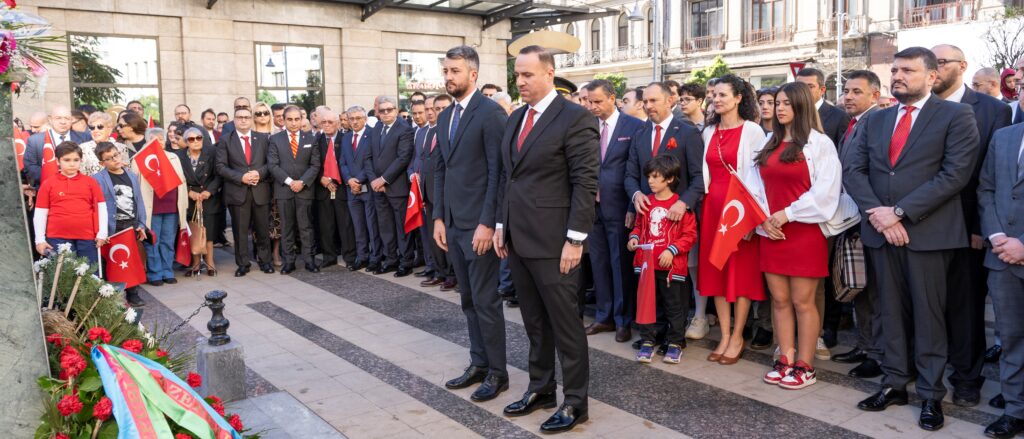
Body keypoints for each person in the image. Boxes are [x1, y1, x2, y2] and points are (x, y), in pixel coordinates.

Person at [845, 47, 980, 432]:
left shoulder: (956, 115)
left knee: (928, 316)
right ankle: (894, 383)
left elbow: (955, 174)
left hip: (929, 234)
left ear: (931, 76)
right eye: (895, 70)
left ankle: (931, 394)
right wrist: (879, 214)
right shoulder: (877, 118)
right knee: (889, 313)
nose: (898, 76)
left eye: (907, 70)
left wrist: (900, 212)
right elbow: (854, 170)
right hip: (881, 232)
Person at [494, 45, 598, 433]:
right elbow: (508, 177)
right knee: (534, 323)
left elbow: (585, 182)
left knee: (566, 325)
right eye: (517, 75)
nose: (520, 82)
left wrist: (575, 240)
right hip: (519, 239)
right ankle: (541, 389)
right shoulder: (516, 117)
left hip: (556, 242)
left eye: (527, 75)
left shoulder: (575, 117)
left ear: (549, 74)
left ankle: (575, 402)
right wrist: (501, 225)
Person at [931, 43, 1014, 407]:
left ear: (962, 66)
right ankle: (927, 367)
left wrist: (983, 227)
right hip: (921, 224)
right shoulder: (920, 106)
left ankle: (967, 376)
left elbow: (992, 174)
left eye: (941, 62)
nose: (934, 68)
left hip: (970, 228)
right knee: (929, 304)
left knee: (966, 306)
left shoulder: (993, 110)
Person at [744, 82, 842, 389]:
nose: (780, 108)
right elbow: (752, 188)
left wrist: (787, 214)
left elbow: (826, 191)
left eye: (787, 103)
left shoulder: (819, 143)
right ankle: (785, 359)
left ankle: (805, 365)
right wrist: (763, 221)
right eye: (777, 103)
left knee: (803, 301)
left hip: (804, 231)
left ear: (802, 106)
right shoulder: (768, 143)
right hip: (771, 231)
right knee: (780, 300)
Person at [432, 45, 509, 403]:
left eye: (455, 71)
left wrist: (488, 223)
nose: (448, 77)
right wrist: (439, 217)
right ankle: (479, 363)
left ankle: (498, 373)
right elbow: (441, 169)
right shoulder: (445, 116)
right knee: (467, 300)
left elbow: (499, 173)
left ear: (472, 74)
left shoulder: (491, 113)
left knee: (485, 301)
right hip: (454, 224)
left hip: (479, 226)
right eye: (446, 71)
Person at [625, 82, 705, 353]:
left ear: (670, 100)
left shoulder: (687, 132)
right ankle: (653, 334)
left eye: (653, 101)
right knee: (650, 284)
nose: (648, 106)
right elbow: (630, 174)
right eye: (645, 101)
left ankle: (675, 336)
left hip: (676, 221)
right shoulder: (639, 132)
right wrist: (636, 195)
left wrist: (684, 202)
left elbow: (698, 177)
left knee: (673, 287)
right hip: (647, 219)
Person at [698, 74, 768, 364]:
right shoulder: (708, 131)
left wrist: (752, 219)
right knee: (716, 271)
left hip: (739, 211)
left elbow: (759, 177)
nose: (716, 99)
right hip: (712, 209)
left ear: (739, 98)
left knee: (740, 274)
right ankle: (724, 336)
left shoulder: (752, 130)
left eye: (723, 95)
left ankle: (738, 335)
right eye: (714, 95)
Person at [831, 69, 884, 379]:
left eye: (856, 92)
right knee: (859, 287)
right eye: (846, 91)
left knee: (874, 290)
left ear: (874, 95)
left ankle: (877, 353)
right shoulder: (853, 123)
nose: (848, 97)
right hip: (851, 219)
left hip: (869, 218)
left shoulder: (877, 122)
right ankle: (865, 345)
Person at [583, 79, 644, 343]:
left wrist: (632, 205)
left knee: (620, 265)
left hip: (620, 206)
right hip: (592, 206)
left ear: (612, 98)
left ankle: (622, 320)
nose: (593, 106)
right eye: (589, 101)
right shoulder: (586, 125)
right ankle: (603, 316)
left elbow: (637, 169)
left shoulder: (633, 126)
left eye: (598, 101)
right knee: (599, 263)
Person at [977, 121, 1024, 439]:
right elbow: (986, 189)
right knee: (1011, 337)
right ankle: (1015, 409)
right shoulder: (1004, 136)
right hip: (1002, 256)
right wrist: (996, 235)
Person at [627, 155, 698, 364]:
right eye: (649, 176)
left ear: (670, 178)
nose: (650, 181)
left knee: (674, 306)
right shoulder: (646, 202)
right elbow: (638, 227)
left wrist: (671, 250)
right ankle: (647, 341)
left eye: (655, 177)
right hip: (647, 266)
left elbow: (690, 235)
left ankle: (675, 343)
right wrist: (633, 238)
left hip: (671, 268)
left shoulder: (681, 206)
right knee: (647, 305)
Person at [216, 107, 275, 277]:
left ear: (251, 120)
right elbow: (220, 166)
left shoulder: (263, 139)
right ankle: (242, 264)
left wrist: (259, 173)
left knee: (263, 229)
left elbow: (270, 163)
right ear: (234, 120)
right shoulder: (226, 140)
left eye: (247, 117)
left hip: (260, 189)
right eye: (240, 117)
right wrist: (241, 177)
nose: (243, 120)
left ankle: (266, 261)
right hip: (237, 191)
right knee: (240, 231)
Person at [33, 142, 108, 265]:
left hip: (88, 237)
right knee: (63, 274)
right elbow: (40, 213)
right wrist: (39, 240)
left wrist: (102, 233)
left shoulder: (91, 182)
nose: (72, 164)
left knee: (89, 273)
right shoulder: (48, 184)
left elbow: (101, 208)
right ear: (57, 161)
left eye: (76, 160)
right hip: (57, 237)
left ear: (81, 160)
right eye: (67, 160)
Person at [92, 141, 147, 306]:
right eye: (109, 158)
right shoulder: (98, 179)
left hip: (130, 224)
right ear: (102, 163)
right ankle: (111, 295)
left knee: (130, 259)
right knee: (111, 260)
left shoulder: (131, 175)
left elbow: (138, 200)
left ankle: (133, 293)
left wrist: (141, 223)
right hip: (111, 225)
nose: (115, 159)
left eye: (116, 155)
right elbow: (97, 205)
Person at [268, 105, 321, 273]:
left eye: (297, 119)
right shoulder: (275, 140)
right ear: (283, 120)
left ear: (301, 120)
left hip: (305, 190)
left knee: (306, 227)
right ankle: (289, 261)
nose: (293, 123)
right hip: (284, 190)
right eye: (289, 119)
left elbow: (315, 165)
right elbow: (273, 165)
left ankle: (309, 260)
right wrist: (291, 182)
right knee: (287, 228)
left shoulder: (311, 139)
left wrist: (302, 182)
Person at [367, 96, 415, 276]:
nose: (386, 113)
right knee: (385, 227)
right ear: (377, 113)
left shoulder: (405, 129)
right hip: (377, 188)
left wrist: (383, 179)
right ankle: (391, 260)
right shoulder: (376, 128)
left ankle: (406, 261)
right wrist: (374, 180)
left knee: (402, 228)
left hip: (397, 187)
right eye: (382, 110)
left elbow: (403, 158)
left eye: (389, 109)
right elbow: (368, 157)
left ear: (396, 110)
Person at [134, 128, 188, 286]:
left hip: (172, 206)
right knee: (152, 242)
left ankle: (167, 271)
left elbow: (182, 181)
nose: (160, 142)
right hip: (152, 207)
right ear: (148, 142)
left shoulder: (173, 157)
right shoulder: (140, 159)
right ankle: (155, 273)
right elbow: (135, 183)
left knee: (168, 241)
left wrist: (183, 205)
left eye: (162, 139)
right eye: (155, 140)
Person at [420, 95, 457, 291]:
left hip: (447, 193)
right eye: (434, 109)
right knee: (434, 236)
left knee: (448, 237)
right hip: (429, 192)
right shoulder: (428, 132)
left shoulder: (452, 130)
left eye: (443, 108)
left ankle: (452, 274)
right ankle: (440, 272)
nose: (435, 112)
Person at [340, 106, 382, 273]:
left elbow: (371, 162)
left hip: (368, 188)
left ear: (365, 119)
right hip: (352, 189)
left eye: (358, 118)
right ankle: (362, 256)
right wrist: (350, 180)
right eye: (352, 119)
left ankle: (375, 258)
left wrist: (358, 179)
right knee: (358, 226)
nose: (355, 121)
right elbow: (342, 162)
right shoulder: (346, 137)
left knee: (372, 225)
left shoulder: (372, 134)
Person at [315, 109, 357, 269]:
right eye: (323, 122)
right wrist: (321, 178)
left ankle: (350, 256)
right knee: (326, 225)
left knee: (345, 224)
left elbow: (350, 162)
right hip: (323, 188)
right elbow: (311, 163)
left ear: (338, 123)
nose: (326, 125)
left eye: (330, 122)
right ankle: (329, 256)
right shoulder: (316, 140)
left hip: (342, 187)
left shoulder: (346, 139)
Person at [178, 127, 221, 277]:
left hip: (208, 196)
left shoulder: (212, 153)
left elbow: (218, 175)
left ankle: (210, 262)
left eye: (198, 138)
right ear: (186, 142)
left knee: (208, 231)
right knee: (194, 230)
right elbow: (177, 178)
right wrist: (188, 192)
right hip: (189, 198)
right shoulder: (179, 156)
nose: (196, 141)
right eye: (191, 139)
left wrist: (209, 191)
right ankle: (195, 264)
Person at [24, 106, 89, 186]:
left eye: (67, 118)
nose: (63, 122)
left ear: (71, 120)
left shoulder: (85, 138)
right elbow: (30, 166)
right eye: (58, 118)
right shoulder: (35, 140)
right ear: (50, 119)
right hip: (48, 187)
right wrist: (54, 179)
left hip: (78, 186)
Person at [796, 68, 851, 146]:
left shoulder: (840, 117)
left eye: (810, 86)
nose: (804, 91)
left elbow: (843, 149)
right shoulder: (791, 114)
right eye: (800, 86)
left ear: (822, 90)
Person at [79, 112, 133, 176]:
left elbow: (127, 172)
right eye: (92, 128)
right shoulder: (83, 148)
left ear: (109, 129)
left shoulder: (121, 148)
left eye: (100, 127)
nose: (95, 130)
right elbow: (80, 173)